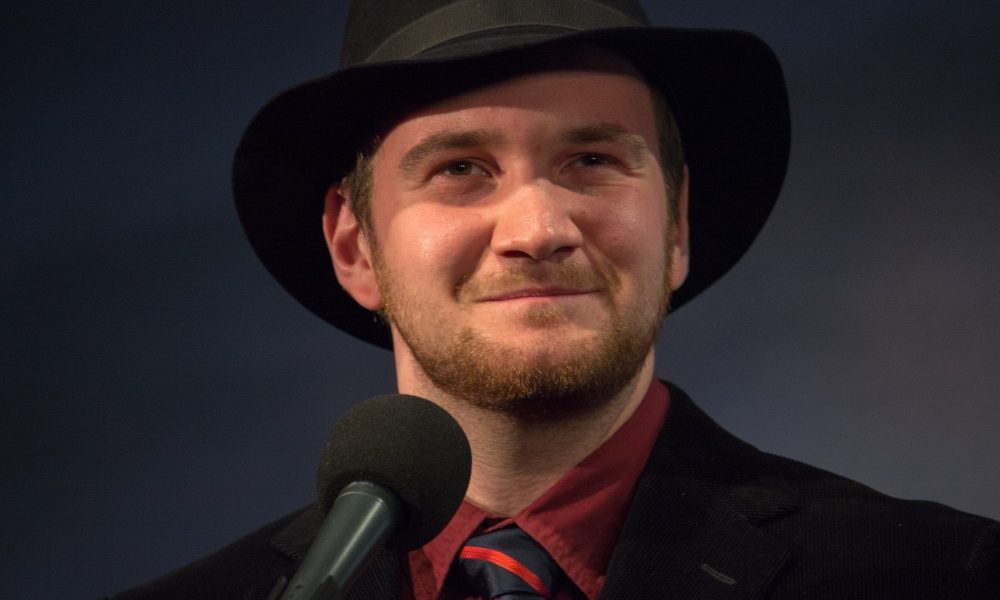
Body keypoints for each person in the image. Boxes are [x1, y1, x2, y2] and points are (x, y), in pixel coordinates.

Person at [111, 1, 999, 598]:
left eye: (593, 161)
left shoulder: (947, 576)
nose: (537, 228)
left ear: (676, 225)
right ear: (354, 245)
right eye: (461, 169)